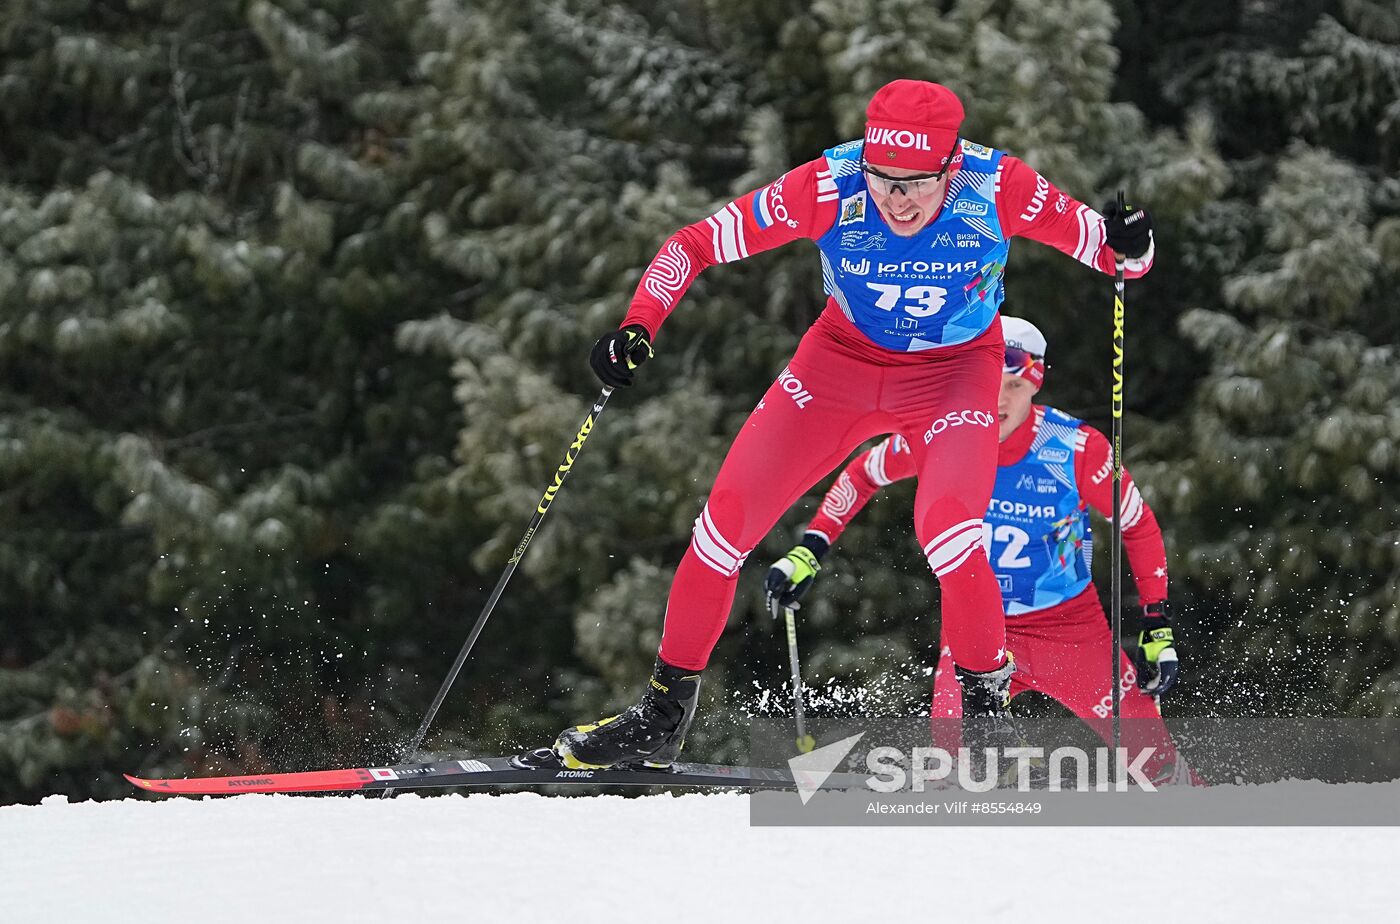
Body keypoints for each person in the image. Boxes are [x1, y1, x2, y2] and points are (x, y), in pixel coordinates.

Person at [552, 79, 1155, 770]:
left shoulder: (998, 186)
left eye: (915, 184)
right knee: (723, 529)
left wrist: (1132, 240)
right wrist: (637, 324)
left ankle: (987, 714)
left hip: (954, 372)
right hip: (839, 365)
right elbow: (693, 244)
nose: (896, 200)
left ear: (950, 167)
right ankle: (662, 712)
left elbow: (1117, 260)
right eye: (883, 180)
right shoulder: (829, 185)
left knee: (951, 531)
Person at [766, 316, 1186, 780]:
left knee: (1158, 764)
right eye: (988, 382)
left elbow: (1138, 525)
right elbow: (864, 473)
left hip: (1069, 628)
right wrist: (811, 547)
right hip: (975, 632)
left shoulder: (1074, 449)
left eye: (1013, 384)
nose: (999, 399)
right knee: (956, 773)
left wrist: (1157, 622)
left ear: (1036, 381)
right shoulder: (940, 434)